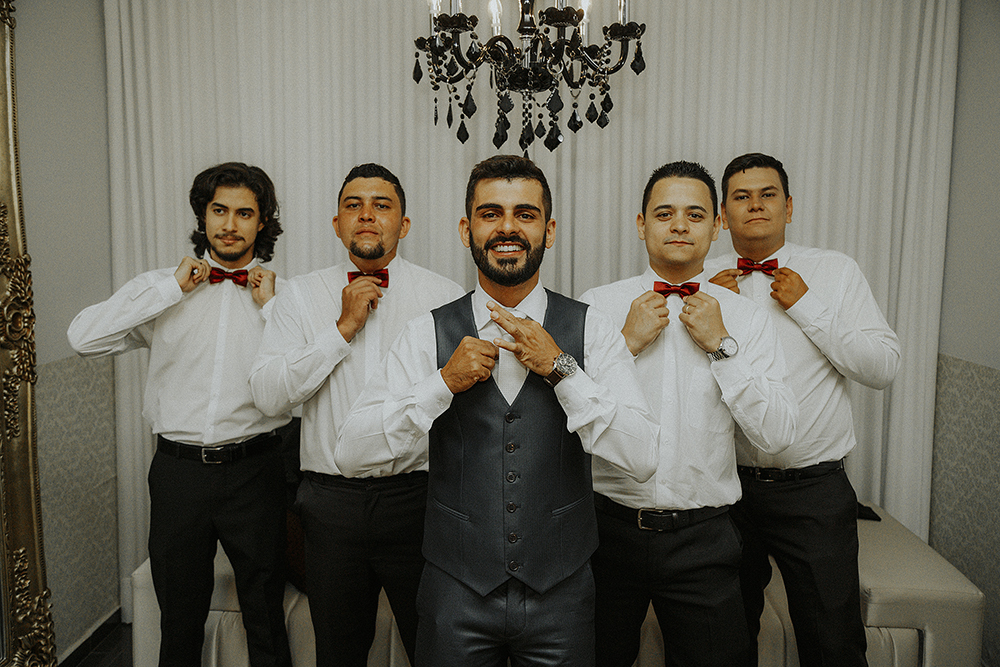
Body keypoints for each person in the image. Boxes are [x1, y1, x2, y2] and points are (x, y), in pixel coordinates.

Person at [335, 154, 658, 667]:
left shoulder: (592, 330)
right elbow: (351, 453)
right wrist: (442, 383)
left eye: (525, 214)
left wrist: (561, 369)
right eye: (490, 214)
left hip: (563, 596)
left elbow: (642, 457)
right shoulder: (425, 333)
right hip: (454, 594)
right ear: (467, 229)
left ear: (549, 231)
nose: (507, 227)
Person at [68, 162, 292, 667]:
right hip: (178, 474)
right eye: (219, 211)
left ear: (262, 223)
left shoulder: (285, 298)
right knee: (180, 618)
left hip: (256, 472)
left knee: (265, 615)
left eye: (243, 213)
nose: (229, 225)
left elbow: (300, 386)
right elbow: (83, 339)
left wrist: (272, 308)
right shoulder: (160, 289)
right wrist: (171, 290)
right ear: (202, 216)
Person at [579, 161, 797, 666]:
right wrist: (623, 346)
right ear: (641, 224)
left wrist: (723, 347)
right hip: (605, 532)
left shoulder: (747, 319)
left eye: (695, 214)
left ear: (717, 225)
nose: (679, 225)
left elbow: (778, 434)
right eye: (665, 213)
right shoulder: (597, 307)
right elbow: (566, 420)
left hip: (705, 539)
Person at [248, 163, 464, 667]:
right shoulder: (299, 297)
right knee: (338, 653)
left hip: (421, 500)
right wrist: (340, 330)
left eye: (382, 205)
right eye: (353, 205)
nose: (367, 215)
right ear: (337, 224)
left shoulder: (445, 298)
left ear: (404, 225)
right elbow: (268, 397)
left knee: (436, 650)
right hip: (331, 506)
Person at [705, 152, 901, 666]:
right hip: (726, 491)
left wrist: (808, 307)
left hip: (814, 490)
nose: (756, 206)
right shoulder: (702, 280)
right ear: (723, 214)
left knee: (833, 643)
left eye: (768, 195)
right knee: (724, 641)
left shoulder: (834, 272)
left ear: (789, 207)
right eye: (741, 197)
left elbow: (882, 367)